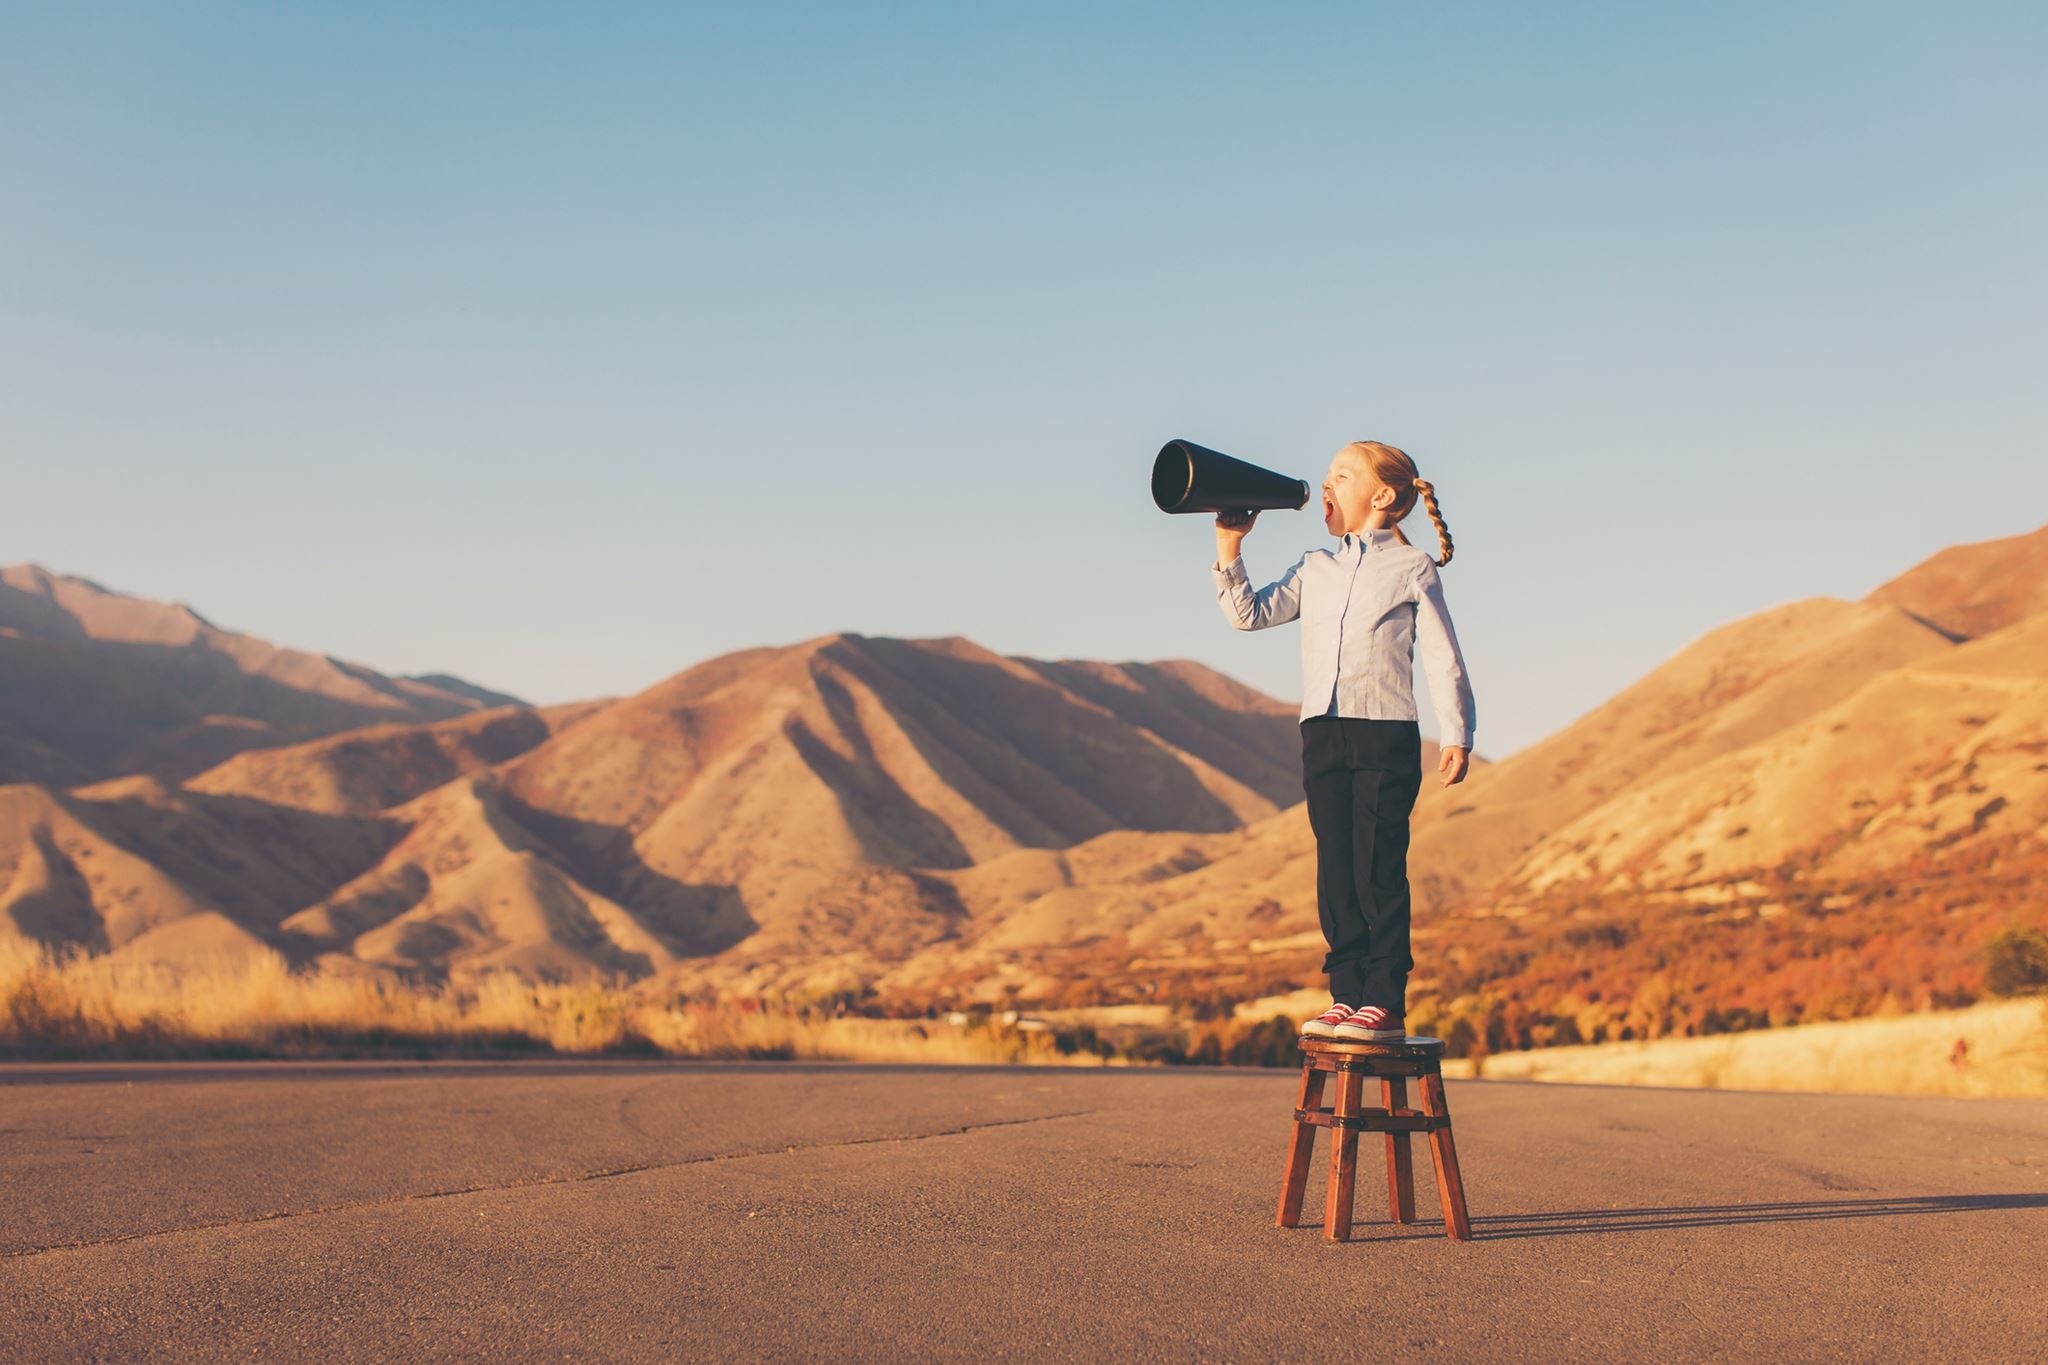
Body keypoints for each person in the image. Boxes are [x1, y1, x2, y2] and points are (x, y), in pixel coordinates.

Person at [1210, 440, 1476, 1043]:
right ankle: (1346, 995)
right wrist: (1230, 544)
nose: (1325, 483)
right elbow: (1248, 614)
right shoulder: (1314, 567)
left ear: (1382, 496)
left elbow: (1441, 655)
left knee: (1377, 865)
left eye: (1342, 474)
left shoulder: (1412, 568)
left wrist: (1457, 732)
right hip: (1321, 731)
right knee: (1335, 868)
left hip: (1385, 732)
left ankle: (1383, 1000)